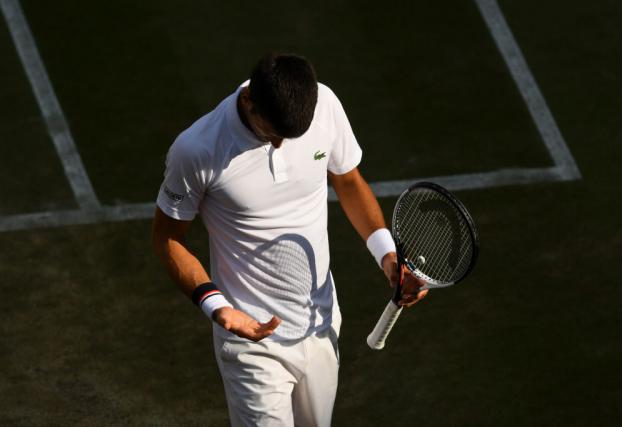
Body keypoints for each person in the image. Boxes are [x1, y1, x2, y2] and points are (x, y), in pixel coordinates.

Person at [152, 52, 427, 426]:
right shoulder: (197, 150)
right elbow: (168, 238)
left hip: (321, 323)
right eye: (272, 133)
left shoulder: (325, 103)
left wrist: (387, 256)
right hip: (251, 343)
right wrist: (216, 305)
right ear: (248, 101)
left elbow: (348, 181)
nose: (280, 144)